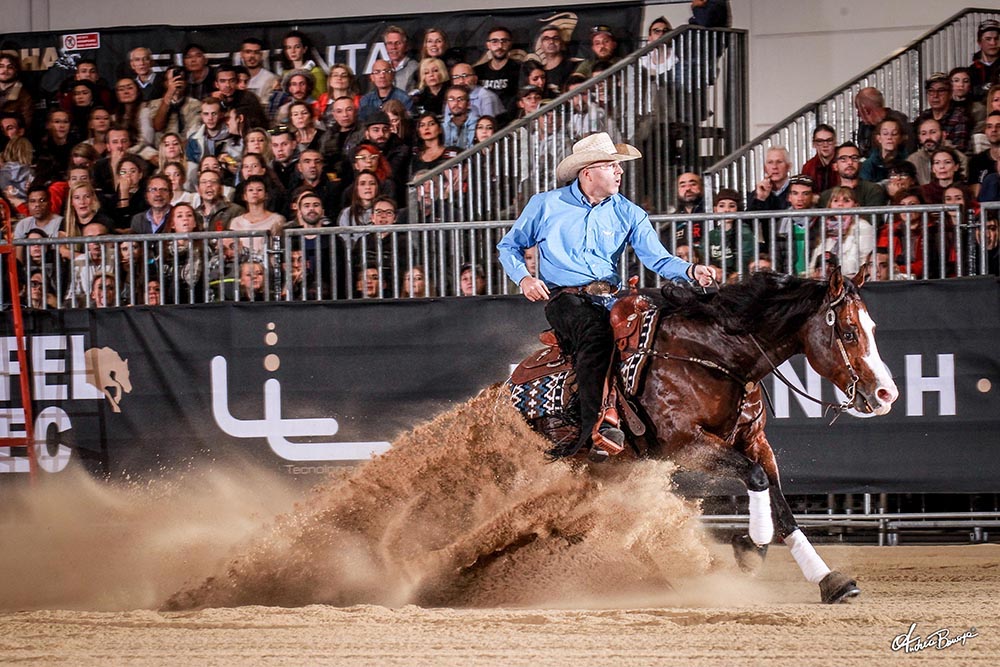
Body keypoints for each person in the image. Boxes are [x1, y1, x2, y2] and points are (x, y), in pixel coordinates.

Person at [497, 132, 713, 461]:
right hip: (566, 299)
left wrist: (691, 271)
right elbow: (509, 246)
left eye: (618, 166)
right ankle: (594, 427)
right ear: (588, 172)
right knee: (596, 337)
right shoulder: (546, 205)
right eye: (612, 165)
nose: (619, 172)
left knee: (659, 333)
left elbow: (657, 258)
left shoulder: (629, 212)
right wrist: (524, 278)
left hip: (610, 299)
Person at [915, 72, 972, 155]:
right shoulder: (924, 117)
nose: (935, 95)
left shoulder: (959, 117)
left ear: (950, 94)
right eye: (931, 91)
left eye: (941, 91)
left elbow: (958, 152)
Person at [818, 142, 887, 207]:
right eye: (843, 159)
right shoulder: (826, 196)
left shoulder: (873, 190)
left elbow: (873, 218)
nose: (850, 162)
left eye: (854, 158)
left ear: (860, 164)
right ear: (835, 166)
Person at [475, 26, 520, 114]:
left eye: (504, 41)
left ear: (510, 44)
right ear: (488, 45)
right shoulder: (478, 71)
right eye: (494, 41)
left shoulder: (519, 69)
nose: (500, 46)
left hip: (510, 120)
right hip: (483, 121)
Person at [278, 31, 326, 99]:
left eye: (297, 47)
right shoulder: (285, 73)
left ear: (304, 49)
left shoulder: (316, 72)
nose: (293, 51)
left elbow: (322, 98)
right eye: (289, 47)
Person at [748, 146, 791, 211]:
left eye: (779, 162)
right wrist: (760, 199)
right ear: (765, 168)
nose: (774, 167)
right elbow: (749, 220)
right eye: (770, 162)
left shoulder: (797, 191)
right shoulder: (757, 193)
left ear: (788, 167)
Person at [802, 125, 839, 194]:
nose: (825, 145)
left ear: (835, 142)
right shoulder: (808, 167)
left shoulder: (843, 162)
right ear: (814, 144)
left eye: (829, 140)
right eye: (820, 141)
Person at [239, 38, 278, 103]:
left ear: (261, 55)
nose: (252, 56)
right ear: (241, 54)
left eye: (256, 52)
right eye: (248, 52)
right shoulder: (234, 77)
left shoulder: (271, 78)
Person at [970, 19, 1000, 101]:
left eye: (996, 39)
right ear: (979, 42)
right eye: (988, 39)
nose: (993, 43)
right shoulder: (972, 70)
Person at [383, 26, 419, 92]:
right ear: (385, 46)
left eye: (398, 43)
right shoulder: (382, 69)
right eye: (389, 43)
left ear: (406, 46)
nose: (393, 47)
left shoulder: (415, 67)